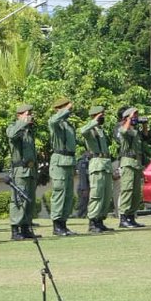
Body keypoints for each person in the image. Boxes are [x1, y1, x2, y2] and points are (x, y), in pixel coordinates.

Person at [79, 105, 114, 233]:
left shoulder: (100, 130)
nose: (103, 117)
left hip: (105, 163)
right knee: (97, 194)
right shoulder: (90, 129)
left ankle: (100, 220)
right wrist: (94, 121)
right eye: (101, 114)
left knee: (106, 194)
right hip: (97, 163)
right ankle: (93, 222)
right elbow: (82, 131)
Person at [7, 104, 39, 240]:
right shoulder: (14, 128)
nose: (30, 115)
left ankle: (26, 228)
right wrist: (23, 122)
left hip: (30, 170)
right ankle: (15, 229)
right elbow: (11, 135)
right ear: (19, 115)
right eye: (28, 113)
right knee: (18, 200)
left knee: (29, 201)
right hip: (20, 170)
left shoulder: (29, 131)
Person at [48, 98, 77, 236]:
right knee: (59, 193)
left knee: (68, 194)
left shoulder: (68, 125)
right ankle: (57, 225)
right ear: (58, 109)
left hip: (69, 161)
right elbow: (53, 121)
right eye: (65, 107)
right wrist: (65, 110)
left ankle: (63, 224)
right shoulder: (55, 122)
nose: (69, 110)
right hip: (59, 161)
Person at [115, 107, 147, 228]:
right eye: (134, 116)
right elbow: (122, 132)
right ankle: (123, 218)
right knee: (127, 190)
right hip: (127, 162)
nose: (136, 118)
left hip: (136, 163)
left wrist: (144, 125)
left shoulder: (134, 131)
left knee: (136, 193)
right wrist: (129, 119)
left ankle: (131, 217)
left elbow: (145, 137)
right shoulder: (123, 128)